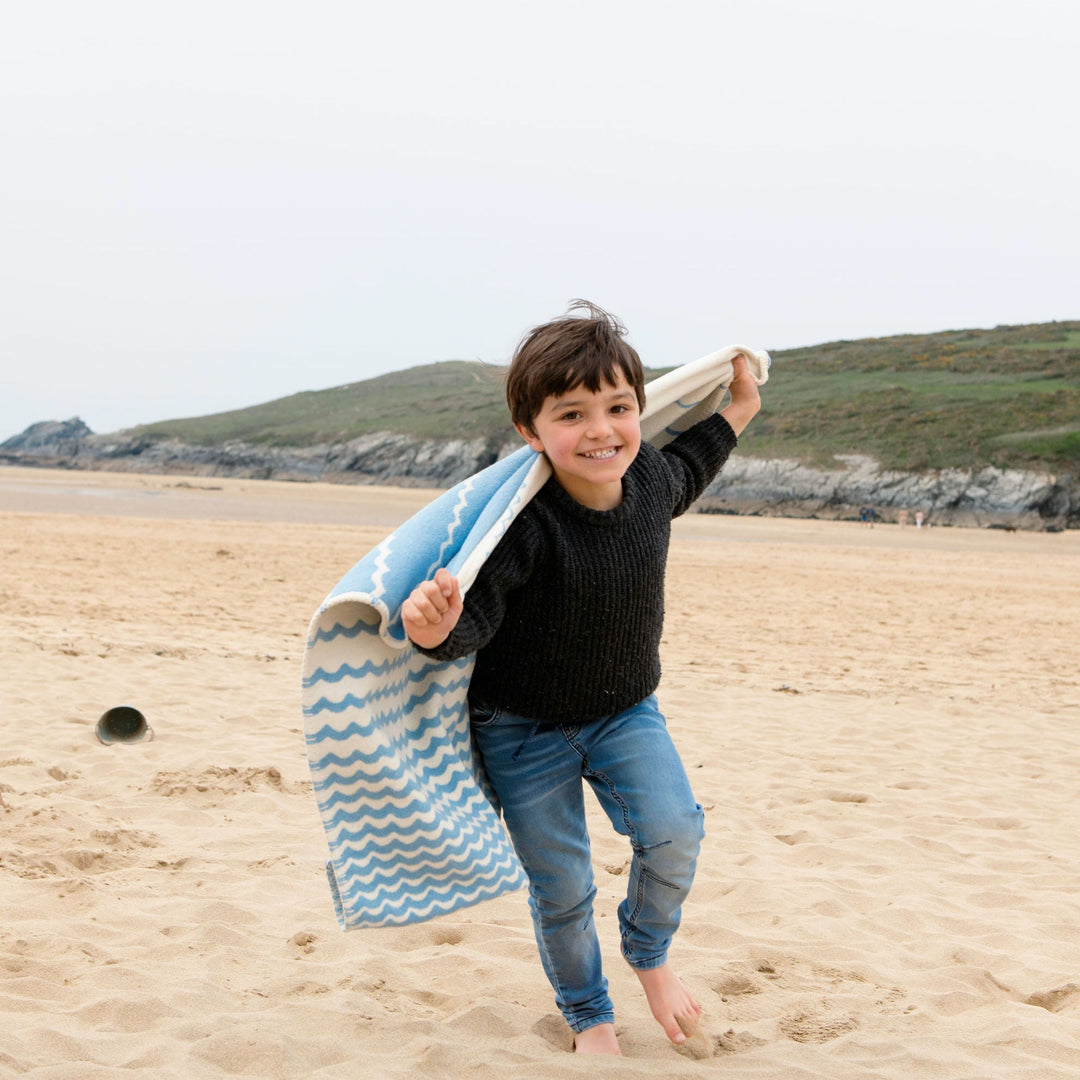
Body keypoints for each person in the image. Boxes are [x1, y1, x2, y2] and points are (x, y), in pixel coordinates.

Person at [400, 301, 762, 1056]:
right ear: (532, 432)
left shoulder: (655, 482)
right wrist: (433, 630)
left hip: (625, 712)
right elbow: (474, 624)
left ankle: (649, 953)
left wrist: (739, 405)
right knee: (562, 888)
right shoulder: (523, 527)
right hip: (520, 730)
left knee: (674, 832)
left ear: (639, 408)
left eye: (618, 407)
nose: (601, 430)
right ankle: (589, 1014)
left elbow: (700, 454)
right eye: (572, 414)